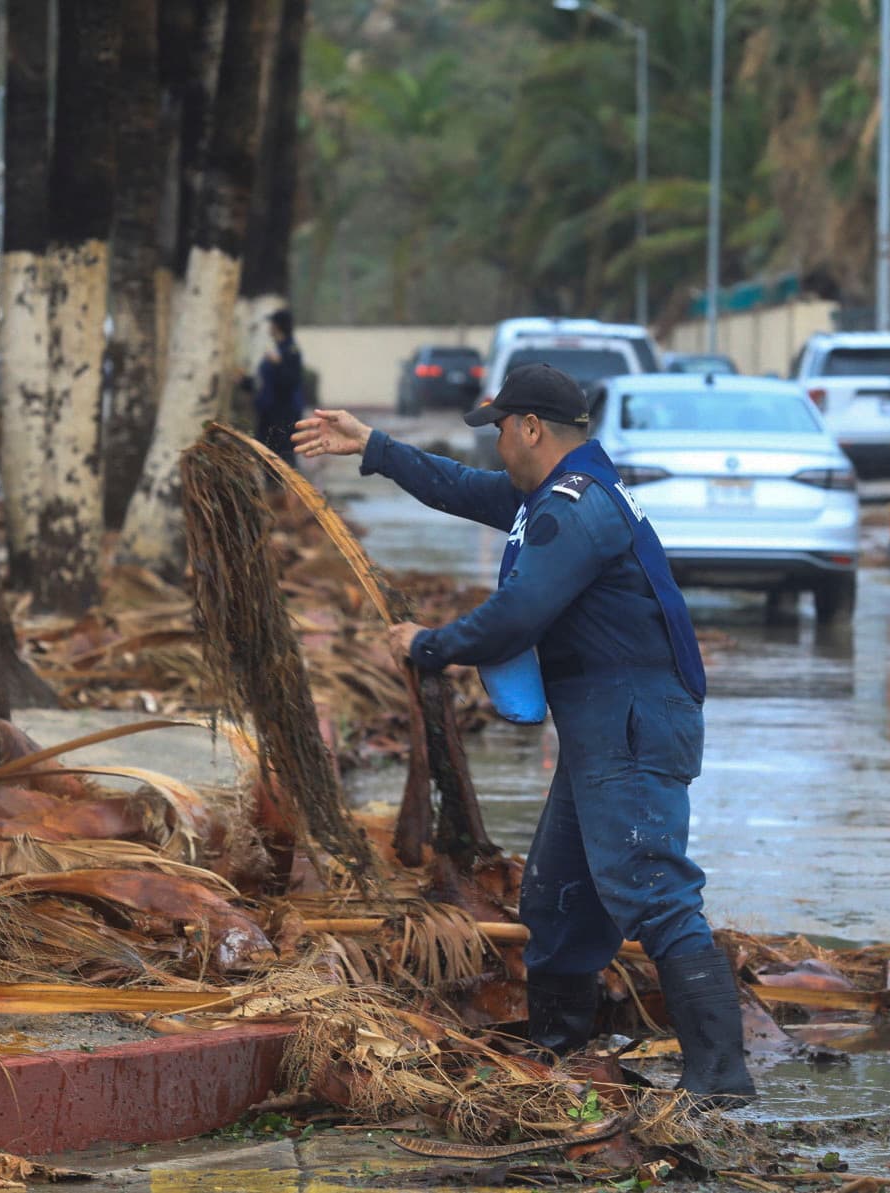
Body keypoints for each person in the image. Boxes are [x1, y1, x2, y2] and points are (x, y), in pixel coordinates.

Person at [293, 365, 755, 1109]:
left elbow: (517, 614)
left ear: (532, 428)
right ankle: (561, 1053)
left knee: (655, 892)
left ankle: (722, 1085)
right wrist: (372, 444)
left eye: (502, 426)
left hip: (630, 720)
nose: (497, 441)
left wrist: (428, 644)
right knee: (558, 897)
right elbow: (462, 487)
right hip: (602, 722)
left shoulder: (574, 510)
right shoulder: (555, 494)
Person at [255, 309, 304, 465]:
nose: (270, 327)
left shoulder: (291, 351)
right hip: (269, 412)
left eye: (272, 323)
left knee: (283, 455)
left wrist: (279, 364)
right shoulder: (277, 349)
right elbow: (267, 382)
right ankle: (273, 486)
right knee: (266, 454)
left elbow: (291, 381)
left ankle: (284, 488)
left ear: (278, 326)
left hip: (284, 413)